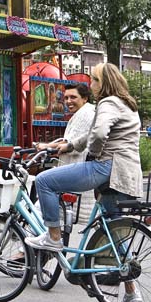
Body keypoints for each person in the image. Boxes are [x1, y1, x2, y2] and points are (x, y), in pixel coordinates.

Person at [26, 63, 144, 302]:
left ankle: (53, 237)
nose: (91, 84)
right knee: (112, 228)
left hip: (105, 168)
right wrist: (67, 147)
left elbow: (99, 135)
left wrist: (93, 154)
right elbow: (90, 133)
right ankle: (132, 290)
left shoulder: (108, 103)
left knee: (44, 180)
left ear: (104, 83)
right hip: (125, 174)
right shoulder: (128, 105)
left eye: (94, 80)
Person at [36, 83, 96, 224]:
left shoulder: (85, 114)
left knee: (43, 184)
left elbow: (70, 143)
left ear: (85, 98)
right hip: (83, 169)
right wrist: (48, 145)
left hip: (77, 169)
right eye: (66, 97)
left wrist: (45, 147)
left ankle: (50, 238)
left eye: (73, 97)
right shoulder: (84, 113)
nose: (68, 101)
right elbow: (69, 140)